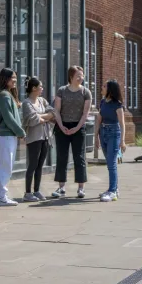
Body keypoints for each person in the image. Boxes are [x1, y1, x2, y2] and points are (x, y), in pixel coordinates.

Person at [52, 66, 92, 198]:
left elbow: (85, 113)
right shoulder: (61, 91)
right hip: (62, 126)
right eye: (78, 76)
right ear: (71, 77)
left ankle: (81, 188)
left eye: (82, 76)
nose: (81, 78)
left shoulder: (86, 92)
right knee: (62, 156)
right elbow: (56, 110)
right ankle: (61, 187)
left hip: (78, 126)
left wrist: (77, 127)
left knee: (79, 157)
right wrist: (61, 125)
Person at [0, 68, 26, 207]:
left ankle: (0, 196)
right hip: (5, 136)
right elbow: (9, 118)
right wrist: (21, 132)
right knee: (4, 167)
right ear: (5, 79)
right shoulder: (4, 96)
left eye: (16, 78)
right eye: (12, 78)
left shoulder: (6, 95)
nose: (15, 80)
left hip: (7, 136)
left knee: (5, 166)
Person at [21, 77, 55, 202]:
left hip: (45, 136)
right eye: (40, 86)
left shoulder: (42, 101)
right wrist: (44, 118)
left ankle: (37, 190)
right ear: (34, 88)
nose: (42, 89)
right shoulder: (26, 103)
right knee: (32, 165)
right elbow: (33, 119)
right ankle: (28, 193)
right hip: (34, 138)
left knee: (40, 165)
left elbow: (53, 113)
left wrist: (42, 117)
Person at [94, 79, 127, 202]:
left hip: (114, 133)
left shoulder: (117, 105)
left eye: (104, 86)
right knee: (109, 163)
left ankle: (112, 191)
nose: (101, 88)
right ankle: (114, 188)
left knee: (112, 163)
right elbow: (98, 119)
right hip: (103, 133)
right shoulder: (102, 102)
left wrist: (122, 141)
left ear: (110, 90)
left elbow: (122, 123)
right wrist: (96, 137)